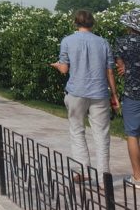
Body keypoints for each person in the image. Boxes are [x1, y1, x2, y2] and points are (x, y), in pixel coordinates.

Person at [50, 9, 119, 179]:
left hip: (76, 92)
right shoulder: (103, 43)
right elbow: (109, 71)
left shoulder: (67, 41)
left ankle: (83, 171)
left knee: (77, 130)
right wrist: (114, 95)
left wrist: (57, 65)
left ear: (76, 23)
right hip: (99, 92)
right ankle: (104, 178)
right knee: (102, 134)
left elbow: (64, 69)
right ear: (92, 23)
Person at [114, 7, 140, 187]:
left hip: (132, 93)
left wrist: (126, 67)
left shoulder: (122, 42)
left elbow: (120, 68)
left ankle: (138, 177)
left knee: (132, 134)